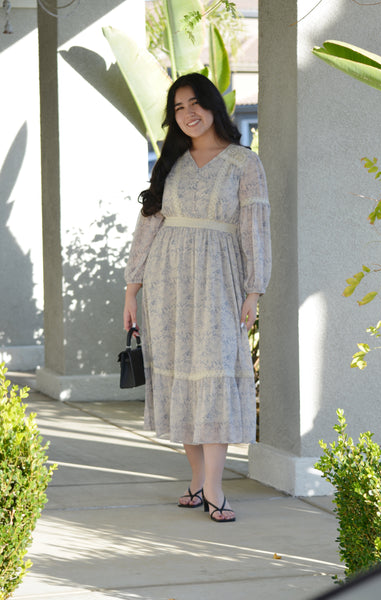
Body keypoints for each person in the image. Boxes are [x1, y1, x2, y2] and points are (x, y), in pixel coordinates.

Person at [123, 73, 271, 522]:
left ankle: (214, 485)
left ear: (212, 106)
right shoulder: (171, 163)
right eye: (178, 108)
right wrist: (132, 289)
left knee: (215, 378)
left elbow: (255, 228)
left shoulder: (243, 163)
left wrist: (253, 289)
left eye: (194, 103)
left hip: (220, 280)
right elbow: (148, 225)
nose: (187, 113)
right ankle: (196, 479)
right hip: (167, 281)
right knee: (183, 378)